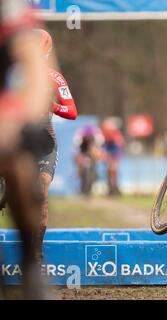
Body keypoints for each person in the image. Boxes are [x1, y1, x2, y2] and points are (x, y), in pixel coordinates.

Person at [0, 0, 51, 298]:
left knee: (18, 161)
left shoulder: (11, 11)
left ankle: (30, 267)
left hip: (8, 99)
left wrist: (21, 119)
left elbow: (35, 73)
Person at [31, 29, 78, 265]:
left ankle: (35, 256)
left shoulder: (54, 77)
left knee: (41, 192)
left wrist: (52, 105)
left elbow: (72, 111)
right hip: (14, 140)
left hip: (43, 141)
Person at [74, 124, 104, 196]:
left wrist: (97, 154)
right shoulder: (79, 137)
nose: (88, 139)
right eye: (87, 138)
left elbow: (99, 150)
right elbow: (77, 150)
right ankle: (82, 188)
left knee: (92, 169)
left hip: (92, 153)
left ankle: (89, 188)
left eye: (89, 138)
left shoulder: (97, 137)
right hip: (83, 152)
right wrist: (80, 158)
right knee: (82, 169)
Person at [101, 119, 125, 196]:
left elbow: (120, 145)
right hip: (109, 148)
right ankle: (111, 187)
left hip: (115, 148)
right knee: (109, 170)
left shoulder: (116, 135)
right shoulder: (104, 135)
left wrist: (116, 158)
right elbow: (103, 146)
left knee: (114, 169)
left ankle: (114, 187)